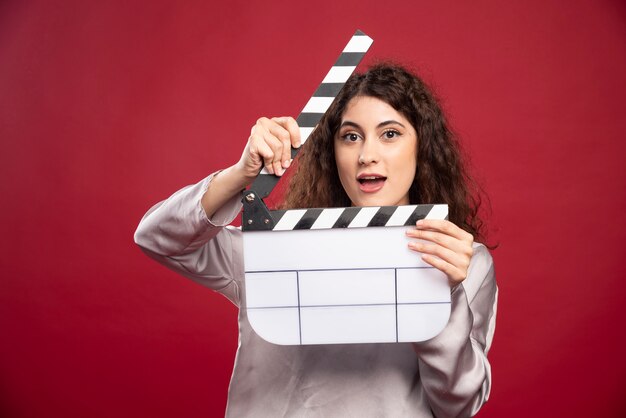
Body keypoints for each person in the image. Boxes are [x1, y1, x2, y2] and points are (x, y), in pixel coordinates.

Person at [134, 63, 498, 417]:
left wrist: (443, 294)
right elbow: (157, 237)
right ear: (332, 151)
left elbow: (458, 404)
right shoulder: (274, 249)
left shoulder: (461, 259)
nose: (366, 156)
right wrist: (240, 174)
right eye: (350, 136)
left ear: (422, 149)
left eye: (390, 134)